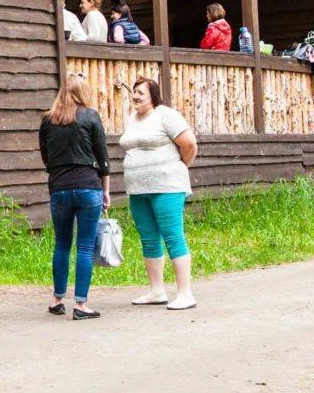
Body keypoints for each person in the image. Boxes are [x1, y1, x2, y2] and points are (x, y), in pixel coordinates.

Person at [39, 73, 111, 320]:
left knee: (61, 245)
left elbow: (46, 157)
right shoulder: (90, 116)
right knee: (85, 246)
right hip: (88, 186)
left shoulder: (48, 120)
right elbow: (102, 158)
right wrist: (106, 189)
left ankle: (57, 299)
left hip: (59, 187)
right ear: (83, 93)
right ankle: (81, 305)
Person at [121, 77, 198, 310]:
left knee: (173, 235)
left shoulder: (166, 115)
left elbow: (189, 144)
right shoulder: (132, 119)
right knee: (148, 237)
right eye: (134, 92)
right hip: (138, 189)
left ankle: (185, 293)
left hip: (167, 186)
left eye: (141, 93)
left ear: (153, 96)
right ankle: (157, 291)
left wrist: (179, 166)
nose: (135, 96)